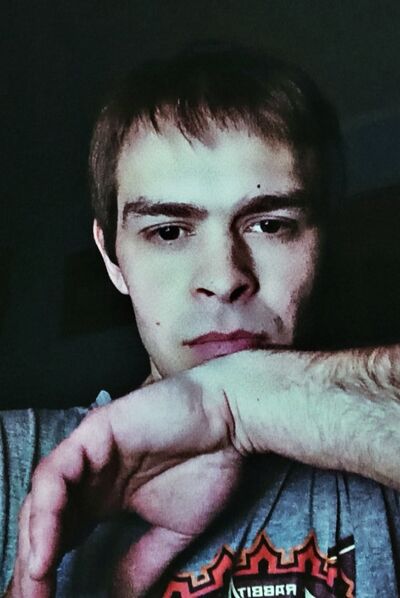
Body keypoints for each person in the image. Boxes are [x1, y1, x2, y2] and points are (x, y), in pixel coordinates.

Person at [4, 45, 400, 597]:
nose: (224, 277)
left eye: (270, 224)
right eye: (168, 231)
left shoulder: (377, 478)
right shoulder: (13, 460)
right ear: (111, 259)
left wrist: (228, 405)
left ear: (323, 242)